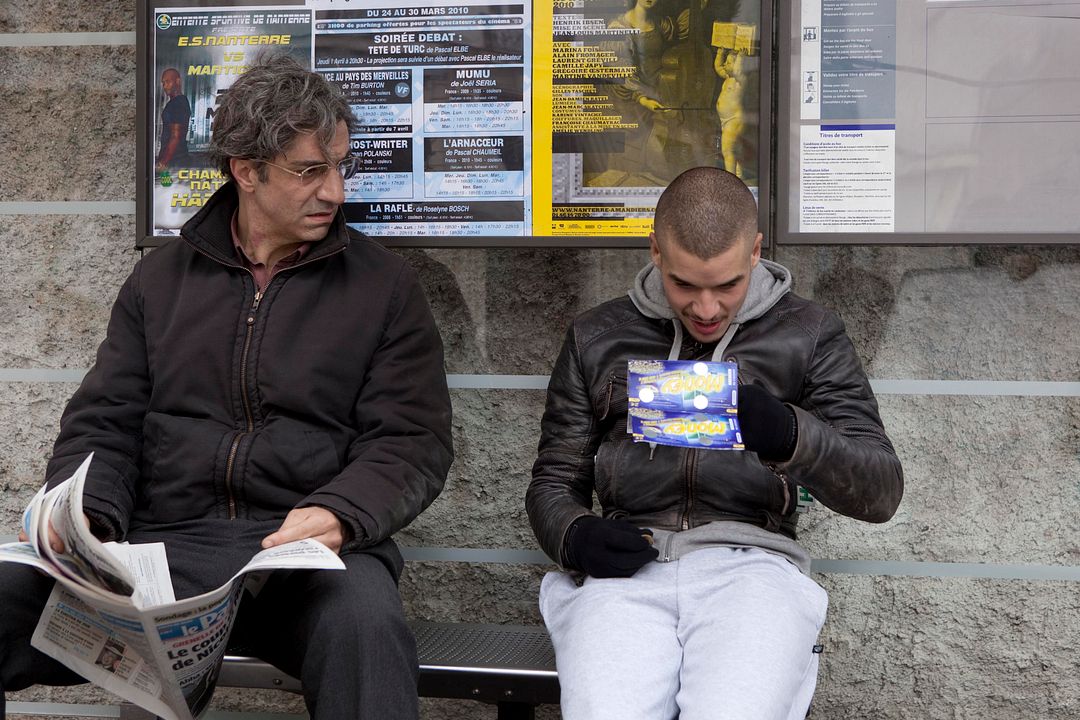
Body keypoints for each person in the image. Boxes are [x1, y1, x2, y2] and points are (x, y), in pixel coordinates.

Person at [0, 54, 454, 720]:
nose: (333, 191)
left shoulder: (384, 289)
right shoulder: (159, 283)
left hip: (300, 556)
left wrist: (341, 512)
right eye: (309, 171)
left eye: (338, 168)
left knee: (369, 631)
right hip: (162, 548)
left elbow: (413, 440)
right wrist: (89, 516)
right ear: (247, 171)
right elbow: (105, 419)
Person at [527, 167, 903, 720]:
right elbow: (554, 482)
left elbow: (881, 490)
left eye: (726, 285)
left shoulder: (810, 333)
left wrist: (790, 433)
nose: (706, 309)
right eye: (685, 285)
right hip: (629, 566)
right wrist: (576, 535)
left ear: (754, 252)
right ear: (655, 250)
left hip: (752, 567)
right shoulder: (597, 334)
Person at [155, 67, 191, 171]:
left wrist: (163, 163)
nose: (165, 86)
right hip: (174, 160)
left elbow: (176, 136)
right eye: (163, 83)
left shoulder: (178, 103)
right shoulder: (177, 102)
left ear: (178, 81)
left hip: (174, 162)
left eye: (168, 82)